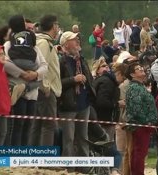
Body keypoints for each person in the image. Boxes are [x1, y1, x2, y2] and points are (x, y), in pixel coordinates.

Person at [58, 31, 96, 173]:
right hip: (68, 106)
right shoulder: (61, 61)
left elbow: (89, 78)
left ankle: (84, 169)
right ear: (66, 44)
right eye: (74, 39)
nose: (78, 41)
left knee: (83, 138)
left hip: (83, 104)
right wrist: (73, 80)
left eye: (77, 38)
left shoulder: (82, 59)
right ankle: (69, 169)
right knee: (68, 139)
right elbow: (57, 83)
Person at [28, 14, 62, 146]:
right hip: (46, 90)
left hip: (41, 89)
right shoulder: (44, 43)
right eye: (57, 25)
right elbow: (39, 66)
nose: (58, 28)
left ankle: (34, 157)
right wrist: (45, 87)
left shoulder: (44, 42)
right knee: (49, 125)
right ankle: (45, 158)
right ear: (54, 26)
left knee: (37, 124)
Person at [125, 62, 158, 175]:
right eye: (138, 69)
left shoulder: (140, 86)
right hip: (140, 125)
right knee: (139, 152)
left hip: (144, 125)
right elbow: (136, 108)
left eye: (141, 67)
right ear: (132, 74)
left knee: (140, 152)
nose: (141, 69)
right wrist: (146, 121)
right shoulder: (134, 88)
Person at [7, 15, 42, 106]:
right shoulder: (30, 33)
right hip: (29, 62)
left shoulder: (12, 34)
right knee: (39, 78)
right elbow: (34, 44)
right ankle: (25, 88)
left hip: (15, 60)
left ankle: (15, 86)